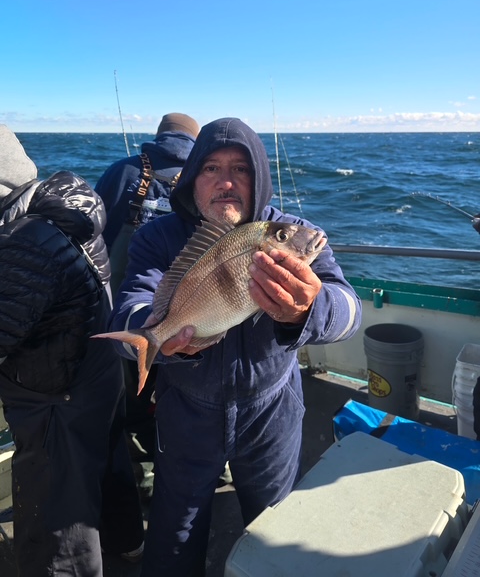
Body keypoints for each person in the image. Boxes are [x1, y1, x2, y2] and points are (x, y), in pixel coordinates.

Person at [108, 117, 362, 576]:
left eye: (241, 169)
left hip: (272, 412)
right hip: (185, 412)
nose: (226, 182)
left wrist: (310, 308)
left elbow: (348, 311)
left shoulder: (293, 233)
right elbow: (131, 305)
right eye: (210, 168)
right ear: (190, 179)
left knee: (274, 535)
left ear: (259, 178)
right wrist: (157, 338)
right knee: (173, 540)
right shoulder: (157, 238)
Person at [0, 125, 144, 576]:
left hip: (54, 396)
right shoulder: (58, 208)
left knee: (58, 529)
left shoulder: (24, 242)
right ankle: (129, 540)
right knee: (105, 461)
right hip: (95, 373)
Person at [95, 112, 200, 502]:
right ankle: (184, 467)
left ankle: (136, 471)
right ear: (195, 140)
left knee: (130, 394)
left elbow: (94, 235)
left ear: (158, 136)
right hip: (193, 315)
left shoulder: (122, 171)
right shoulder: (204, 177)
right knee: (182, 391)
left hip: (127, 309)